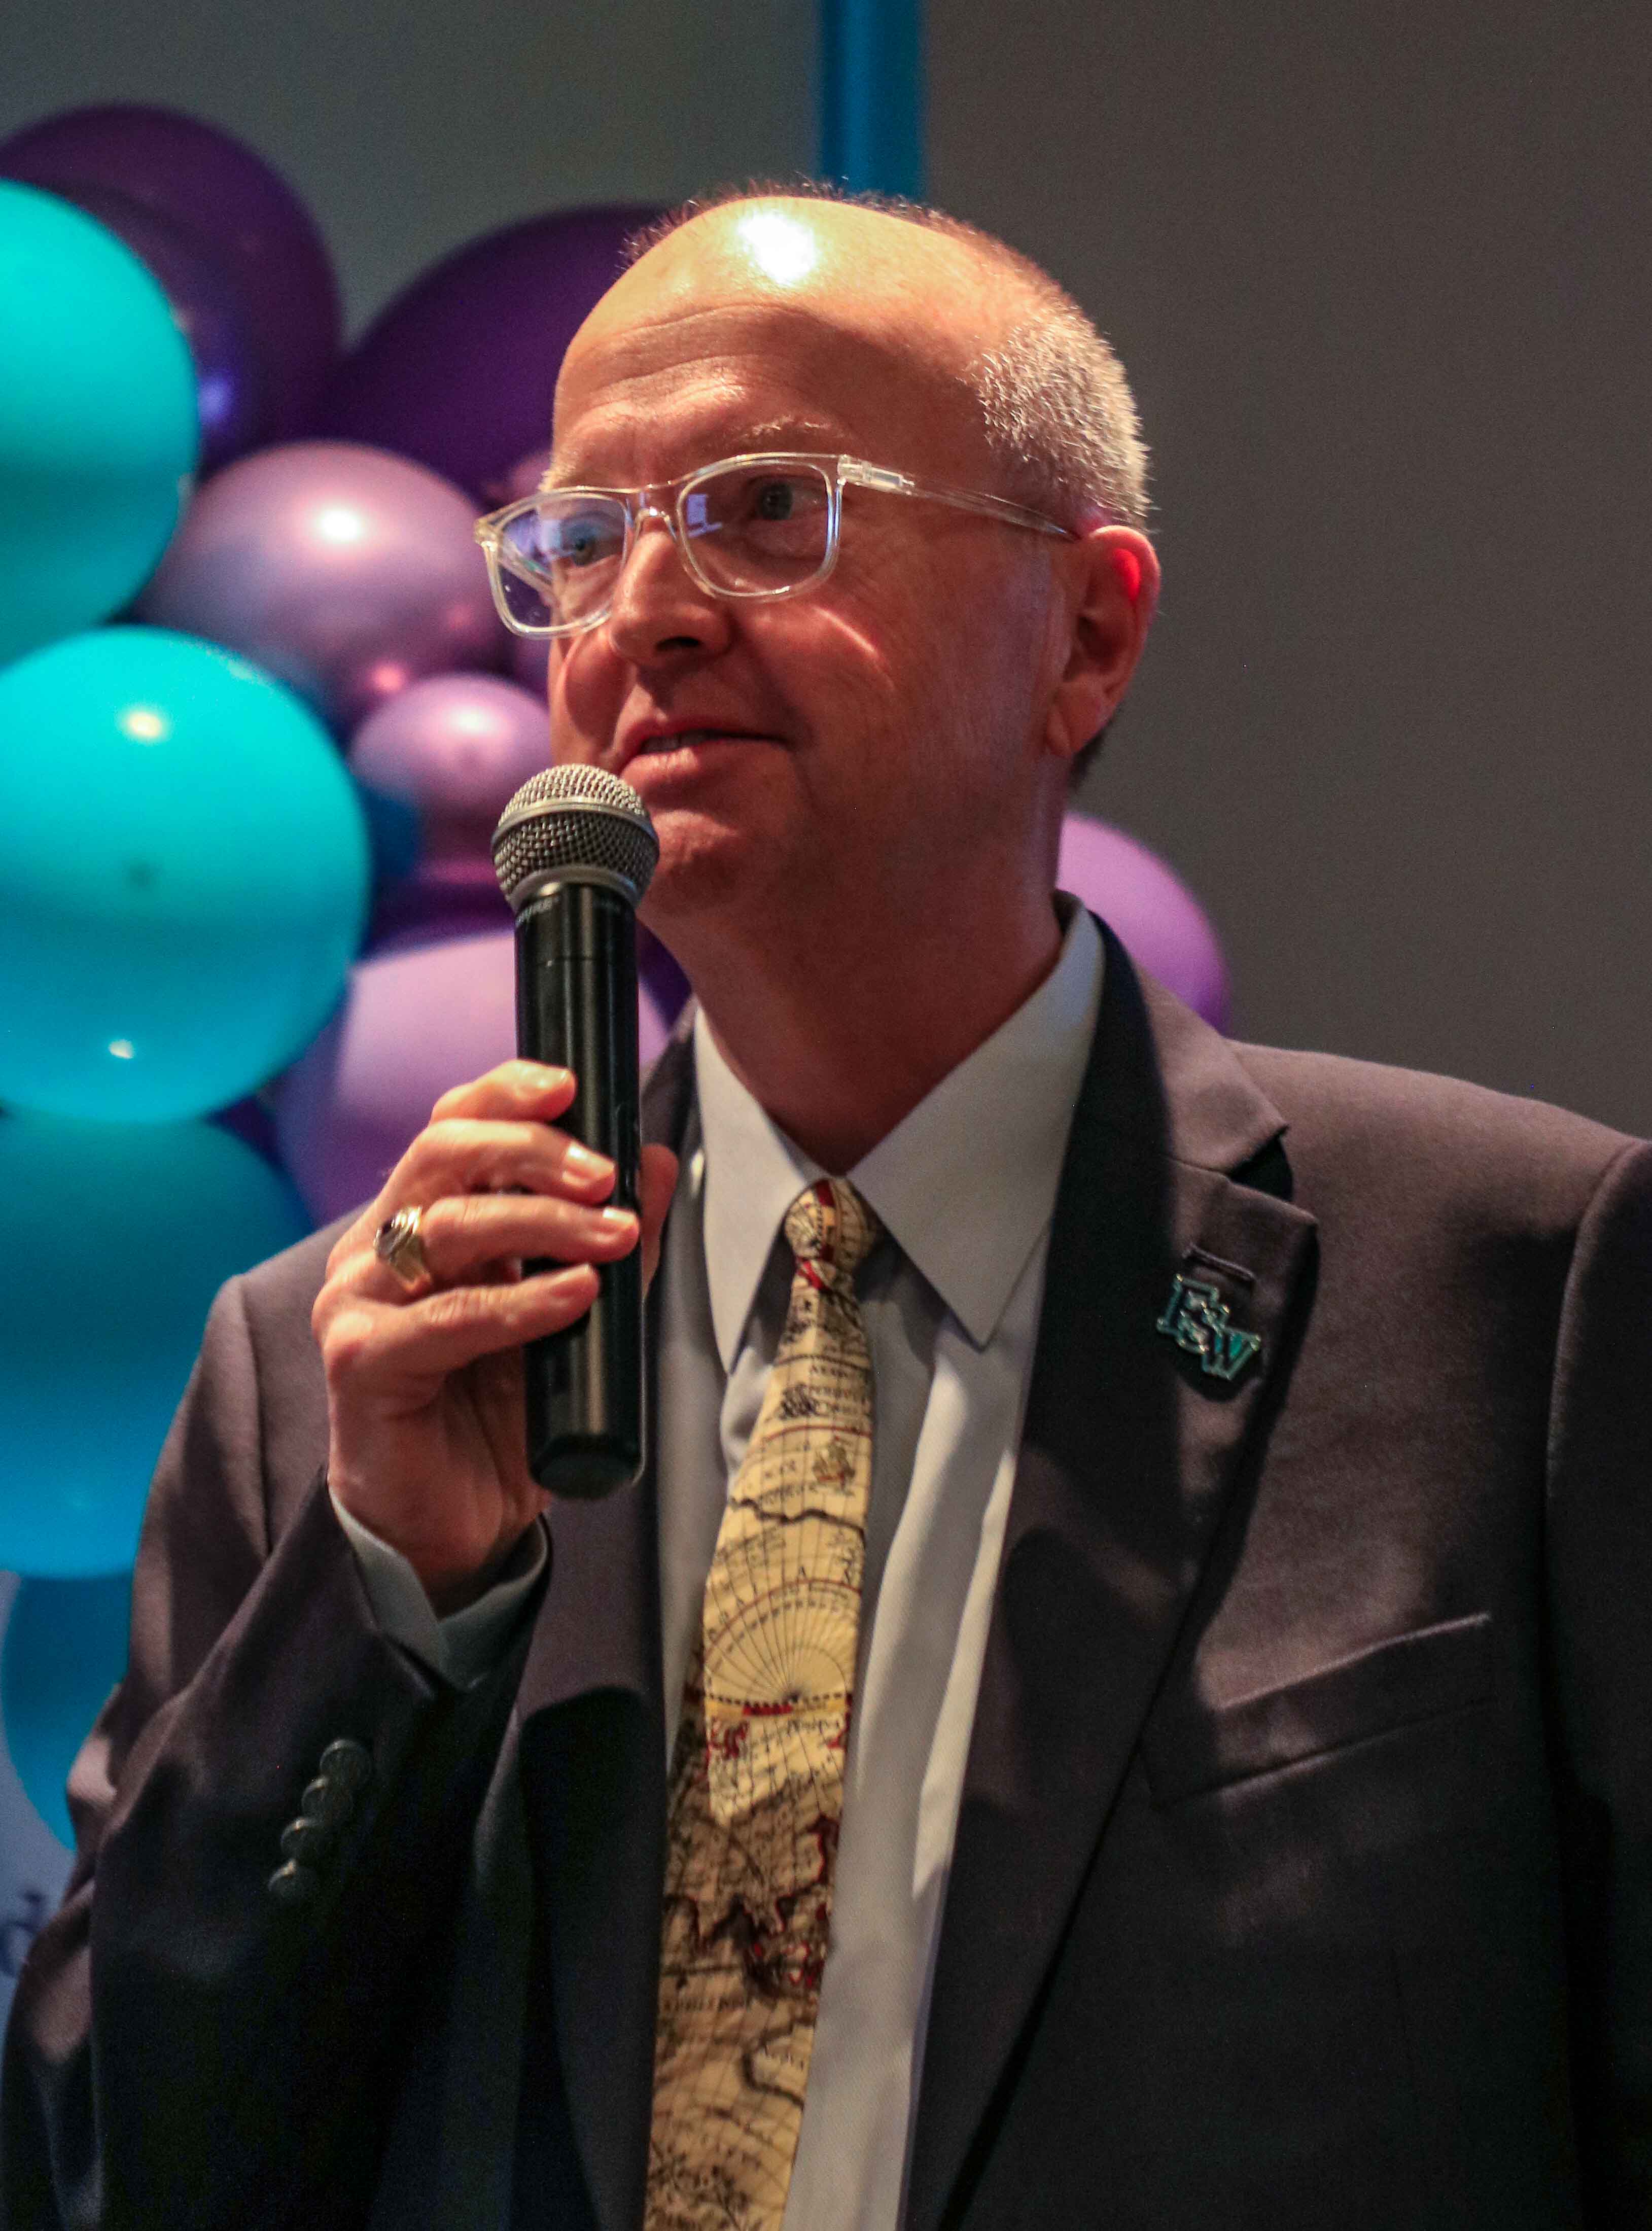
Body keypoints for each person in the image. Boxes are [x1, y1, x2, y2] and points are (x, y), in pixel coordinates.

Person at [4, 185, 1650, 2231]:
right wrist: (391, 1609)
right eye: (577, 541)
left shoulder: (1516, 1287)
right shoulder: (331, 1370)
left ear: (1087, 632)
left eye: (767, 511)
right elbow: (114, 2168)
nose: (642, 614)